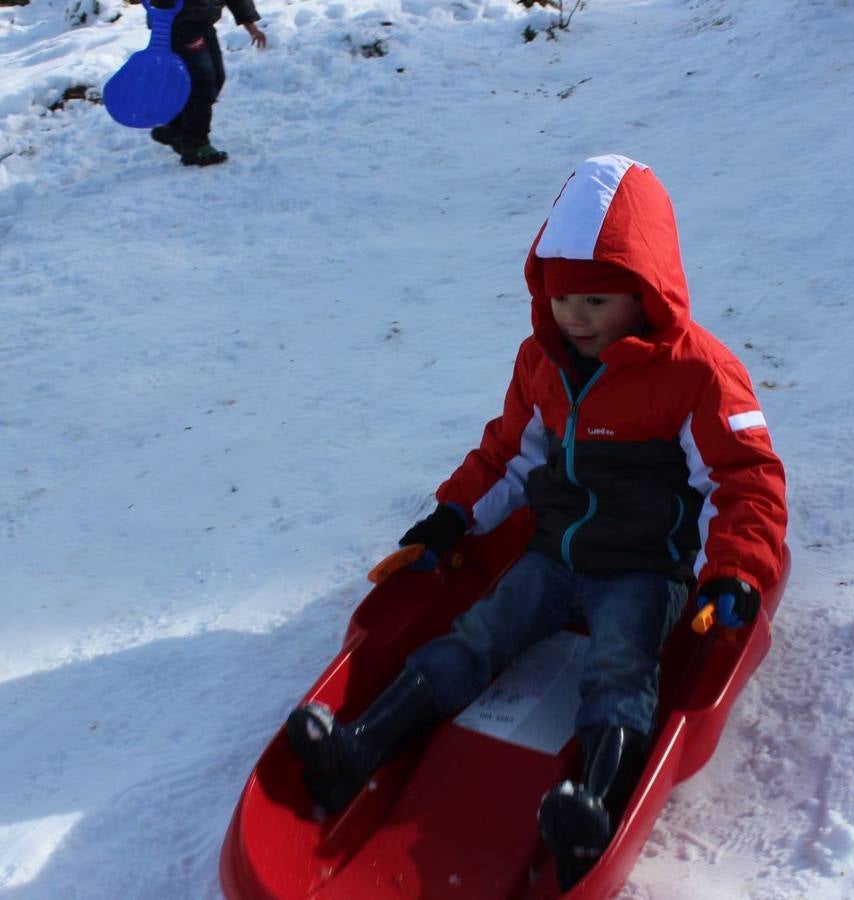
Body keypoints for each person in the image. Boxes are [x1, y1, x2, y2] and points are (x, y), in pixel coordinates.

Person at [285, 155, 788, 889]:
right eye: (561, 300)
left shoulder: (698, 373)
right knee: (477, 636)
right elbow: (507, 455)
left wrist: (736, 568)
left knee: (621, 664)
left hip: (644, 565)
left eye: (595, 301)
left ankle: (592, 808)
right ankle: (357, 750)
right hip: (553, 553)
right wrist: (451, 517)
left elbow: (745, 477)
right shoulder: (542, 361)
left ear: (646, 293)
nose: (575, 318)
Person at [147, 0, 267, 166]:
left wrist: (250, 25)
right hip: (179, 24)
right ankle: (195, 144)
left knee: (217, 78)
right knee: (202, 84)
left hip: (202, 24)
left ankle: (176, 129)